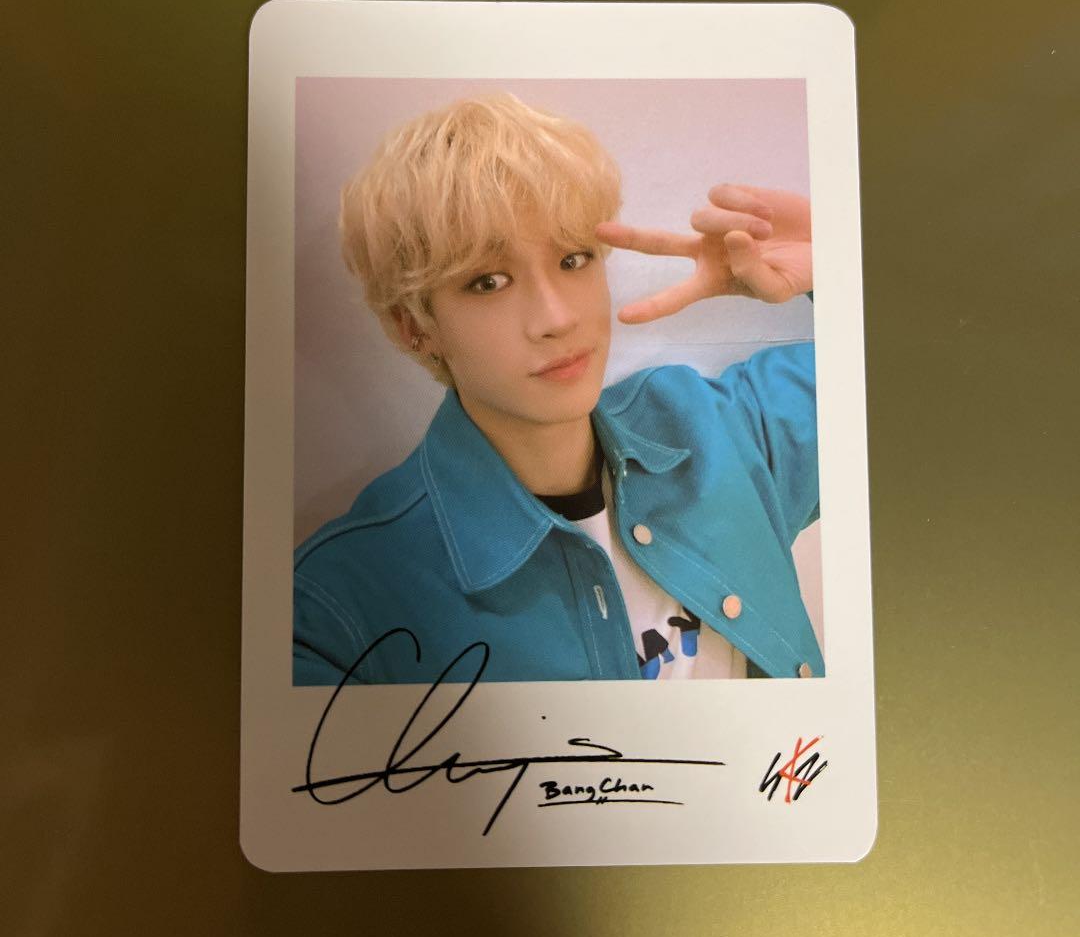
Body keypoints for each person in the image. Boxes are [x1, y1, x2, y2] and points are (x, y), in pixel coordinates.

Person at [294, 92, 821, 685]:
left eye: (574, 259)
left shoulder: (719, 430)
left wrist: (834, 269)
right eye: (488, 282)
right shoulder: (336, 613)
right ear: (413, 326)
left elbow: (897, 395)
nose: (557, 318)